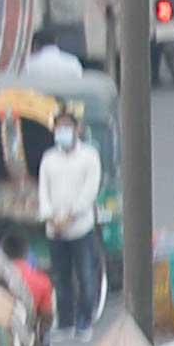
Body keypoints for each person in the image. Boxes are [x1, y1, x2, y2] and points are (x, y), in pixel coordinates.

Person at [33, 106, 104, 333]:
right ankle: (65, 321)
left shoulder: (89, 157)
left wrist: (70, 216)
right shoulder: (49, 158)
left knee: (85, 275)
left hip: (80, 227)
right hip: (54, 229)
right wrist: (50, 216)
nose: (62, 131)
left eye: (67, 126)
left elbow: (89, 192)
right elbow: (43, 191)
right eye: (59, 127)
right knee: (60, 279)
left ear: (77, 129)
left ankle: (85, 319)